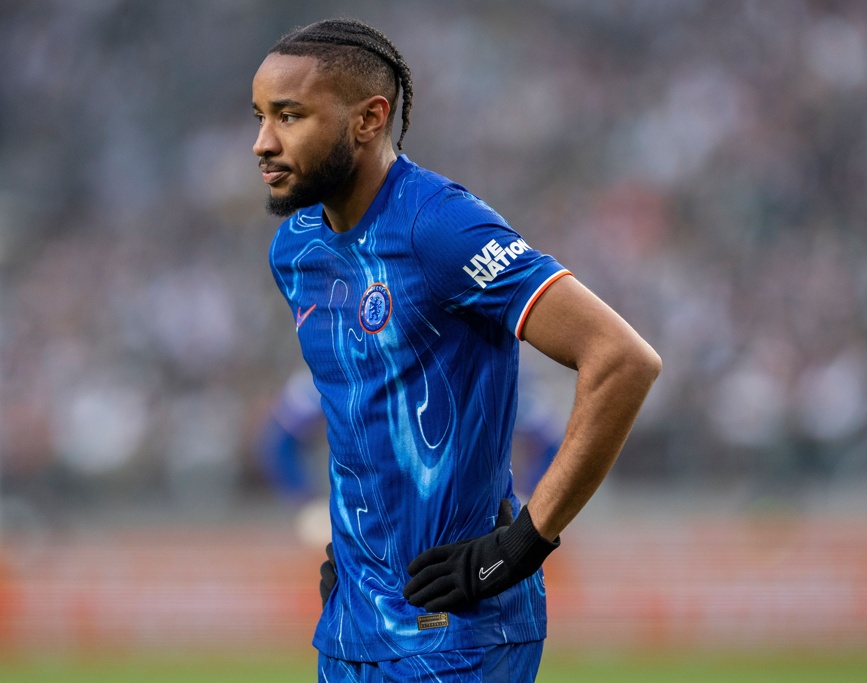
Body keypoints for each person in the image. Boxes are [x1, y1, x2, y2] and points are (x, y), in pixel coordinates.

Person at [252, 18, 661, 682]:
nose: (263, 142)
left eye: (289, 116)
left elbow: (621, 359)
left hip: (457, 636)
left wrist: (521, 545)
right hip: (351, 629)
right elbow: (364, 410)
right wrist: (351, 548)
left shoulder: (439, 225)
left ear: (368, 119)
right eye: (261, 116)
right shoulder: (295, 249)